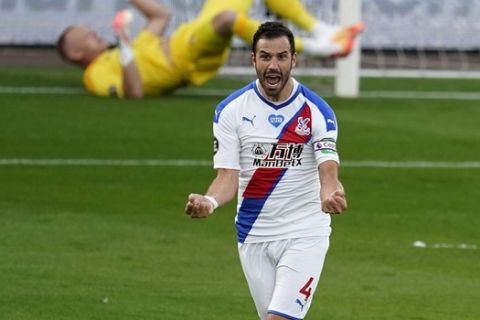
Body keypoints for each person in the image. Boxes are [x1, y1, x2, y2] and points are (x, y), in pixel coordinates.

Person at [185, 21, 347, 320]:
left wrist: (329, 192)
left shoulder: (315, 110)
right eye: (265, 57)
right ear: (253, 59)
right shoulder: (231, 110)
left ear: (293, 60)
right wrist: (209, 202)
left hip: (304, 231)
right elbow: (227, 177)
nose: (273, 66)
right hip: (253, 234)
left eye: (282, 57)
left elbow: (328, 166)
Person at [57, 0, 363, 99]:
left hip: (184, 37)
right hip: (185, 57)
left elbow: (160, 16)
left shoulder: (131, 47)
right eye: (84, 35)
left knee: (227, 15)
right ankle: (317, 48)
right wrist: (124, 42)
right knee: (228, 19)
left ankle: (323, 31)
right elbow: (134, 92)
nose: (92, 33)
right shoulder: (95, 75)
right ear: (75, 54)